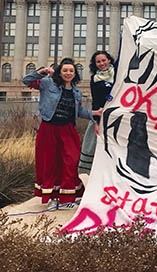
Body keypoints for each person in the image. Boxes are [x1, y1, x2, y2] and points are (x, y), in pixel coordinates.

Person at [22, 58, 102, 210]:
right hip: (49, 129)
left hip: (68, 130)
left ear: (75, 73)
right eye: (65, 70)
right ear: (60, 72)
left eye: (71, 71)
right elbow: (26, 81)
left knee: (71, 161)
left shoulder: (77, 91)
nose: (68, 73)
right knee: (50, 163)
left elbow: (79, 112)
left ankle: (66, 197)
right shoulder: (48, 84)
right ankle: (53, 198)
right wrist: (41, 72)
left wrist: (94, 113)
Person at [78, 50, 115, 175]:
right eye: (98, 62)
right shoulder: (95, 79)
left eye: (103, 60)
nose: (101, 63)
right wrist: (96, 121)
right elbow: (96, 100)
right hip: (103, 115)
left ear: (109, 60)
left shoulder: (119, 74)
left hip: (119, 114)